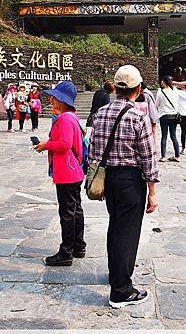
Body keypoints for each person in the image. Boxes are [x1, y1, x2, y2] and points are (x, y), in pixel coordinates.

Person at [90, 65, 159, 308]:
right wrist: (152, 192)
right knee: (127, 233)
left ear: (116, 88)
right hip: (131, 181)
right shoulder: (137, 116)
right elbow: (148, 157)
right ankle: (121, 290)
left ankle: (115, 273)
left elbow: (95, 150)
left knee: (115, 226)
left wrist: (101, 181)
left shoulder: (101, 113)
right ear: (138, 89)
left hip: (109, 179)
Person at [33, 81, 85, 266]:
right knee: (75, 209)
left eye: (55, 97)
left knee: (67, 212)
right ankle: (79, 245)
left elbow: (64, 144)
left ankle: (66, 252)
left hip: (66, 170)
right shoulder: (72, 116)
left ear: (62, 100)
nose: (51, 99)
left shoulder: (64, 119)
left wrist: (46, 145)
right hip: (74, 170)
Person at [155, 75, 180, 162]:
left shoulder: (160, 92)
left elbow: (156, 105)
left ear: (164, 82)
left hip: (164, 115)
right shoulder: (175, 91)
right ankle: (177, 155)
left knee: (164, 136)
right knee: (173, 136)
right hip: (173, 115)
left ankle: (163, 156)